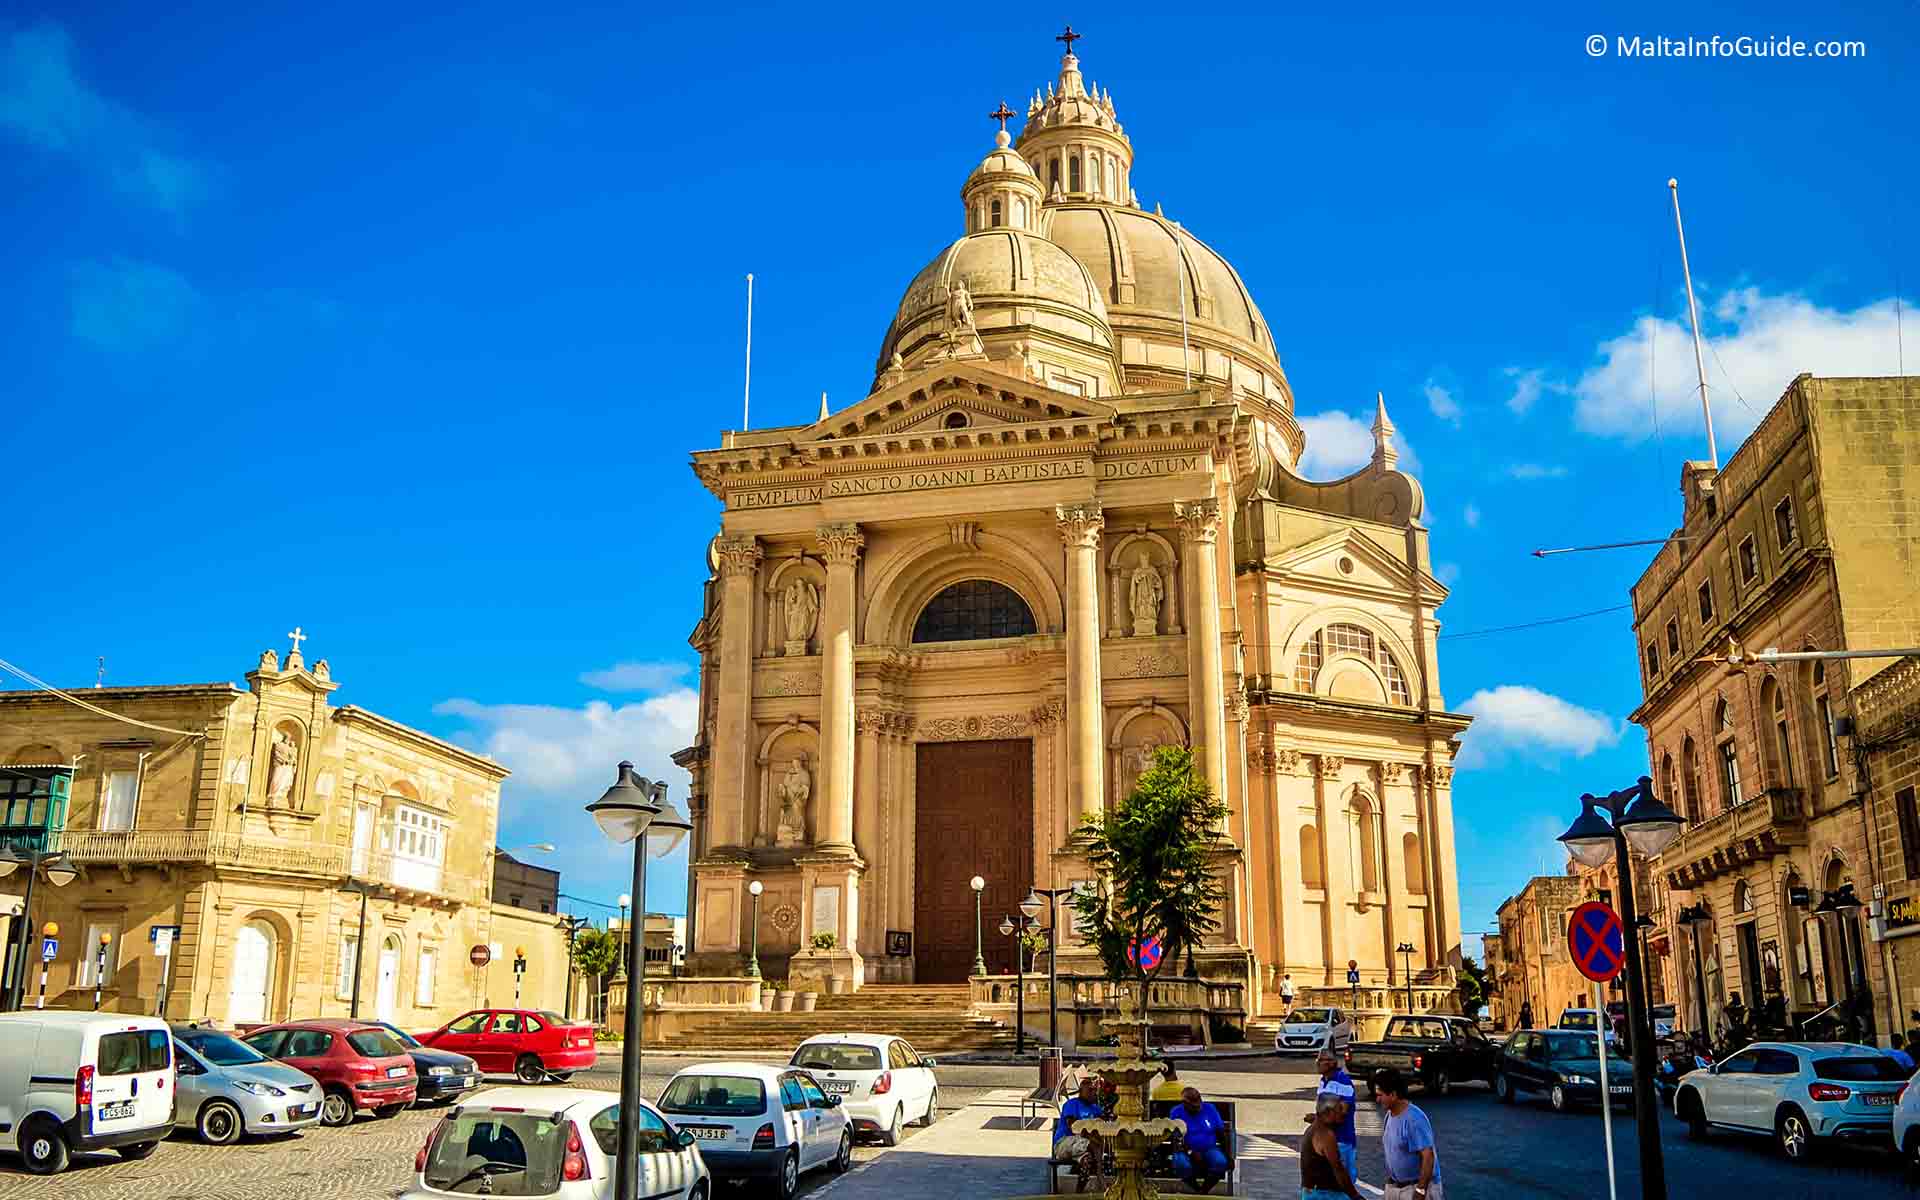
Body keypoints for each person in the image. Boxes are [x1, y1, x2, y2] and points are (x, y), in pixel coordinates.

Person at [1371, 1068, 1443, 1200]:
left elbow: (1428, 1157)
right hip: (1396, 1188)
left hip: (1414, 1189)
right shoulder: (1389, 1115)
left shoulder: (1414, 1120)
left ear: (1393, 1095)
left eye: (1380, 1095)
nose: (1377, 1099)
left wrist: (1420, 1191)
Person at [1304, 1049, 1359, 1183]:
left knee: (1342, 1182)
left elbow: (1342, 1112)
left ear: (1331, 1063)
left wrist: (1316, 1119)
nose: (1317, 1062)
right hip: (1325, 1141)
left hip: (1342, 1141)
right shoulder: (1323, 1080)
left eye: (1320, 1060)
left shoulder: (1343, 1082)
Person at [1302, 1092, 1364, 1200]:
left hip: (1315, 1191)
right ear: (1329, 1112)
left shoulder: (1314, 1128)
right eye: (1339, 1109)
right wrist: (1355, 1196)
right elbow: (1338, 1168)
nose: (1343, 1113)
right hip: (1323, 1193)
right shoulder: (1325, 1134)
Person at [1170, 1085, 1231, 1194]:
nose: (1198, 1109)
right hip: (1185, 1150)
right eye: (1194, 1107)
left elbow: (1220, 1132)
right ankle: (1197, 1189)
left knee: (1220, 1162)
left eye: (1199, 1105)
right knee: (1181, 1164)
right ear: (1185, 1104)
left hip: (1209, 1148)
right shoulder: (1176, 1112)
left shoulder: (1210, 1108)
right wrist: (1191, 1152)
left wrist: (1228, 1154)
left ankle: (1203, 1191)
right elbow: (1176, 1140)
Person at [1052, 1076, 1106, 1193]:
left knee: (1087, 1160)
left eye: (1094, 1090)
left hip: (1082, 1147)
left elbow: (1103, 1125)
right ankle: (1099, 1174)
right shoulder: (1072, 1104)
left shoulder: (1095, 1109)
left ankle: (1078, 1193)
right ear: (1081, 1092)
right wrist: (1091, 1137)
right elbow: (1073, 1126)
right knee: (1093, 1144)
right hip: (1064, 1143)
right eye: (1089, 1090)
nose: (1093, 1093)